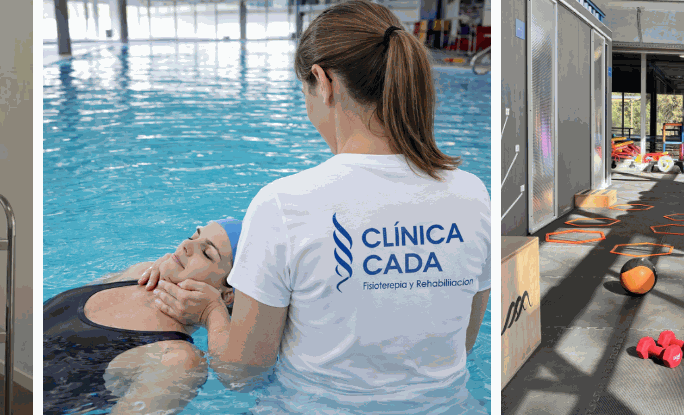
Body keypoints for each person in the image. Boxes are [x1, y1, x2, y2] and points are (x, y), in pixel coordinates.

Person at [139, 2, 492, 413]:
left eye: (304, 91)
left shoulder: (284, 204)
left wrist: (212, 312)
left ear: (324, 83)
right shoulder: (473, 195)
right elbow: (461, 344)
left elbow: (242, 374)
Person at [43, 218, 242, 415]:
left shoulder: (176, 360)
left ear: (227, 295)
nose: (186, 246)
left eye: (207, 253)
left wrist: (212, 312)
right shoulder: (138, 273)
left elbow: (238, 376)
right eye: (193, 237)